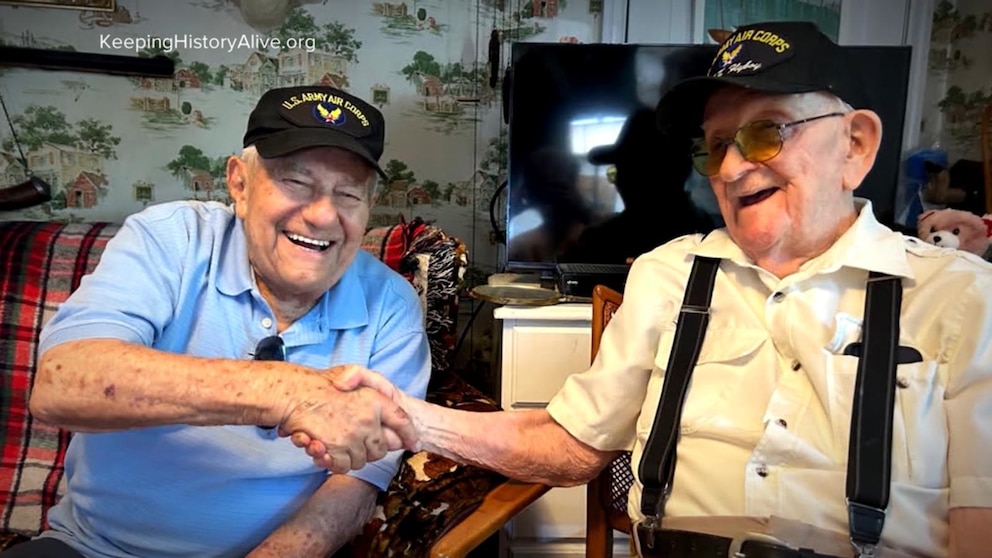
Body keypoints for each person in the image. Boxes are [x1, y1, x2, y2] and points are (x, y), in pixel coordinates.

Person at [308, 21, 992, 557]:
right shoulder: (667, 273)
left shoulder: (962, 298)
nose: (729, 169)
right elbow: (572, 445)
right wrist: (408, 416)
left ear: (856, 145)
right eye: (713, 146)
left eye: (764, 134)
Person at [3, 86, 431, 558]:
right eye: (296, 182)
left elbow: (357, 482)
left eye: (348, 193)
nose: (323, 215)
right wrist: (285, 393)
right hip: (95, 549)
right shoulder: (170, 239)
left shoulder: (391, 303)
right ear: (239, 185)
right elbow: (62, 383)